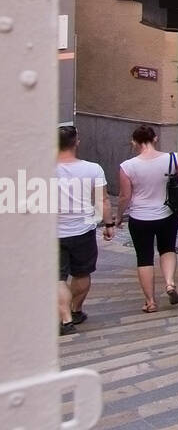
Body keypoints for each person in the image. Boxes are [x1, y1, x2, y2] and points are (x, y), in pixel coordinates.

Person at [116, 125, 178, 313]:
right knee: (167, 248)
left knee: (144, 258)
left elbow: (124, 196)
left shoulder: (128, 166)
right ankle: (170, 283)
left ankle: (150, 301)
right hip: (167, 213)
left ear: (134, 142)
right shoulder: (173, 158)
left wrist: (118, 217)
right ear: (155, 138)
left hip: (139, 217)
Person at [55, 125, 107, 336]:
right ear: (76, 142)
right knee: (82, 273)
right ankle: (75, 310)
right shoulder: (93, 169)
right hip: (83, 230)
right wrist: (110, 224)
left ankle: (65, 319)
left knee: (57, 278)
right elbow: (103, 200)